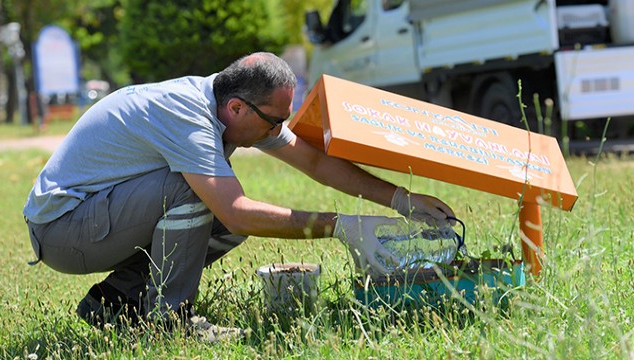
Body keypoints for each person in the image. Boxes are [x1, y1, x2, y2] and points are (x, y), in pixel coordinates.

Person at [23, 52, 454, 341]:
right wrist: (339, 226)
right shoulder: (187, 115)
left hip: (96, 220)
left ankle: (116, 303)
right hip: (64, 230)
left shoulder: (232, 103)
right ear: (237, 109)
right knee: (200, 196)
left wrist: (401, 199)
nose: (277, 131)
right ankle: (168, 322)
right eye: (274, 122)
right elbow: (238, 212)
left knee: (222, 215)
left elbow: (317, 164)